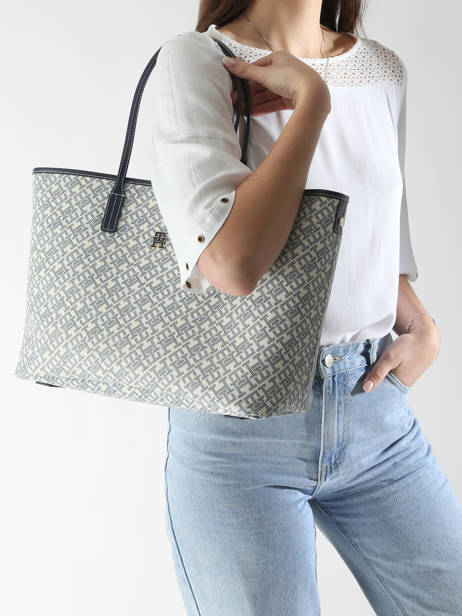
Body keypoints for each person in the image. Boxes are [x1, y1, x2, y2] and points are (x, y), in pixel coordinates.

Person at [149, 1, 462, 614]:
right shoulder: (201, 61)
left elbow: (375, 240)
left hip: (375, 415)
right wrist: (311, 104)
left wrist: (421, 324)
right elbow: (232, 264)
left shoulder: (381, 70)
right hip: (240, 430)